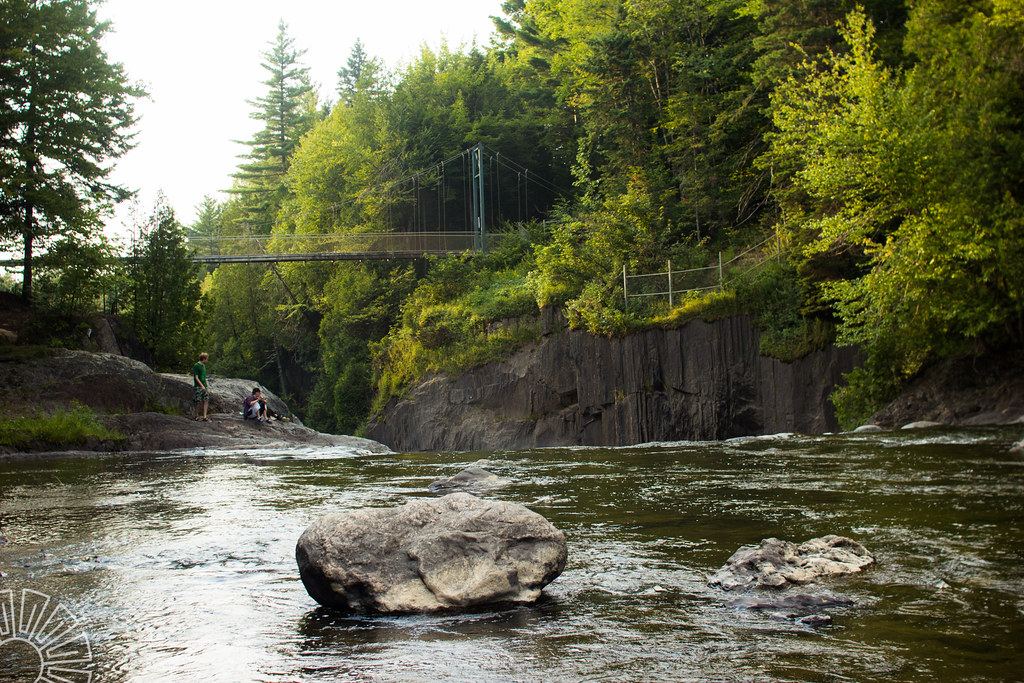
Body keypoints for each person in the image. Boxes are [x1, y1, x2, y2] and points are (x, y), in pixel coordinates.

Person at [192, 352, 211, 422]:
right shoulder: (197, 366)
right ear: (203, 359)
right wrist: (201, 385)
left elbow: (204, 376)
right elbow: (196, 377)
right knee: (198, 400)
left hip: (204, 385)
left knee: (206, 399)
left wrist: (205, 385)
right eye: (206, 359)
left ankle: (204, 416)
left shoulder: (203, 366)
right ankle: (196, 416)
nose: (207, 360)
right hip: (198, 386)